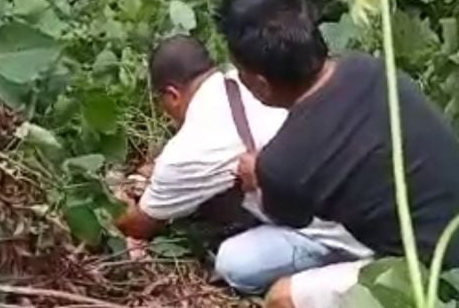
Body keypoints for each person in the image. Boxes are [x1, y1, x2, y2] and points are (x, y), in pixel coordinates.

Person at [216, 0, 459, 308]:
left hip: (439, 273)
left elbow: (294, 219)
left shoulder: (282, 163)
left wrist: (257, 175)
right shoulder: (367, 67)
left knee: (281, 297)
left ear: (260, 83)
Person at [113, 35, 372, 295]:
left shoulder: (190, 146)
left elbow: (138, 225)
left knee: (234, 264)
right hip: (364, 195)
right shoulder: (251, 81)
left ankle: (343, 272)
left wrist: (115, 199)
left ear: (172, 95)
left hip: (348, 237)